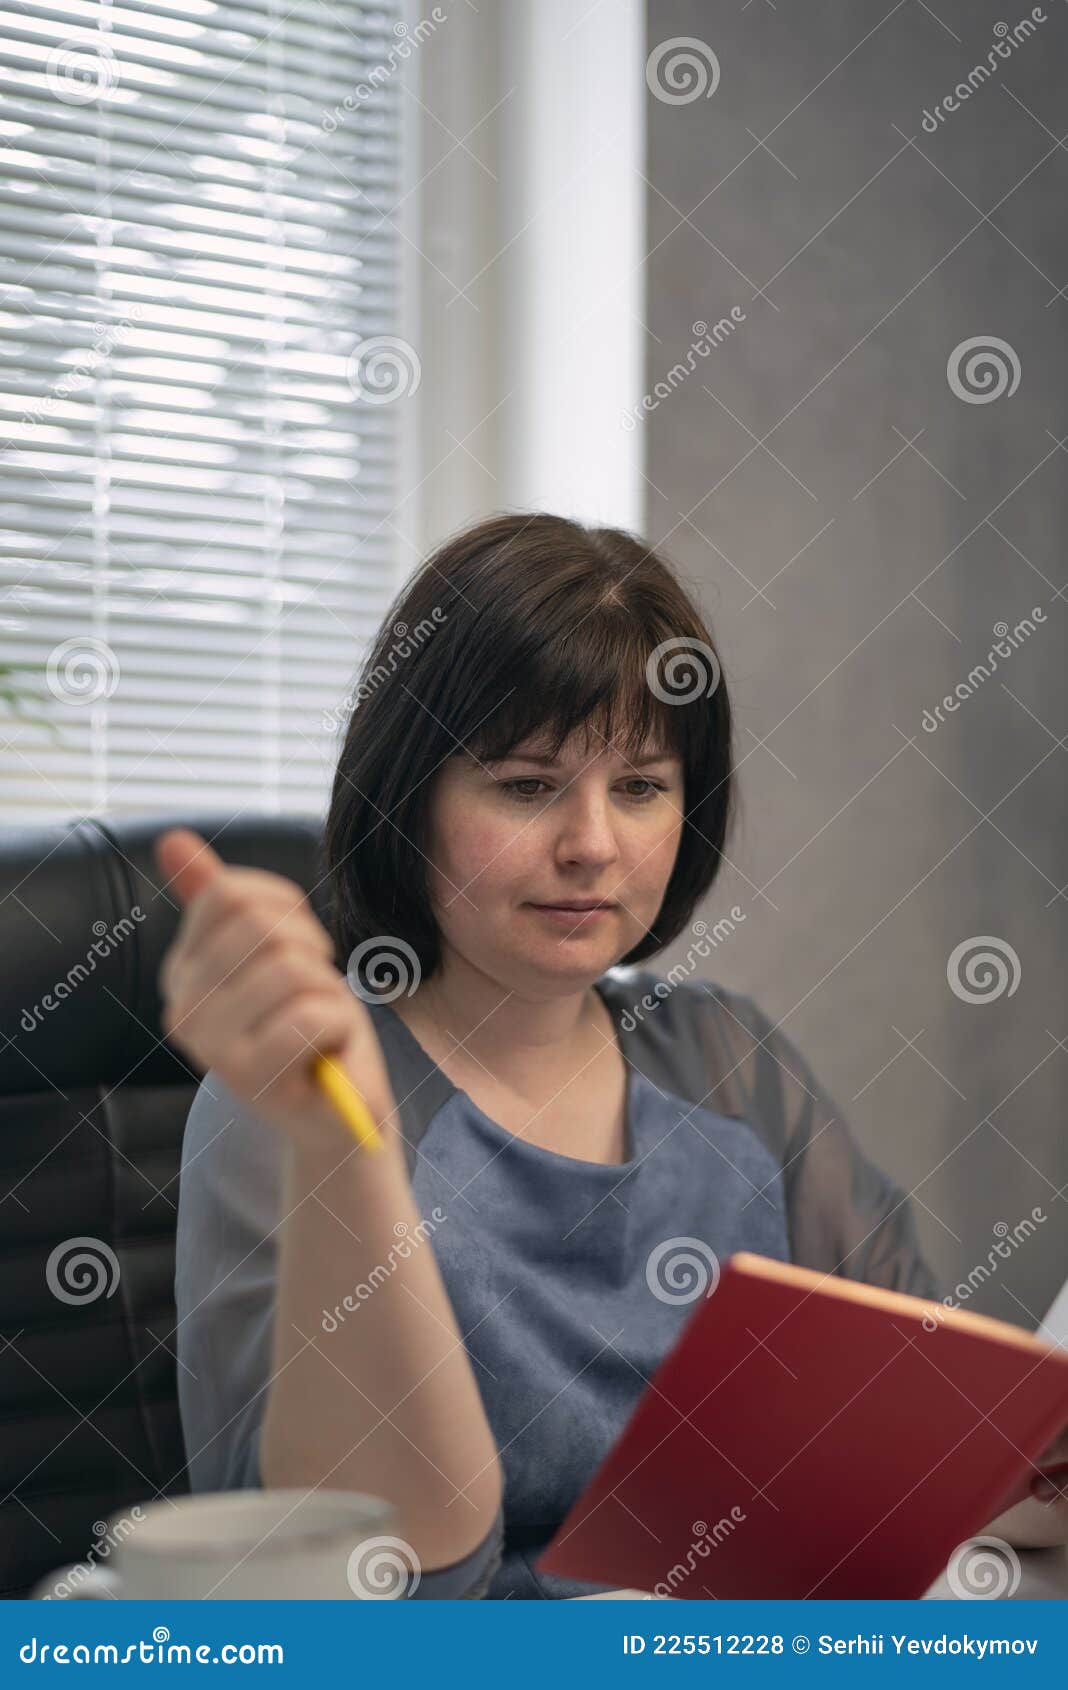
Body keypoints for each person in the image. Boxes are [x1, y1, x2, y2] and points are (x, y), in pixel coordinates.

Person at [163, 512, 1068, 1600]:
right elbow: (366, 1574)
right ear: (411, 805)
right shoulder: (291, 1102)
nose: (593, 843)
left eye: (640, 785)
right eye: (527, 784)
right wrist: (342, 1144)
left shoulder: (723, 1056)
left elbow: (943, 1425)